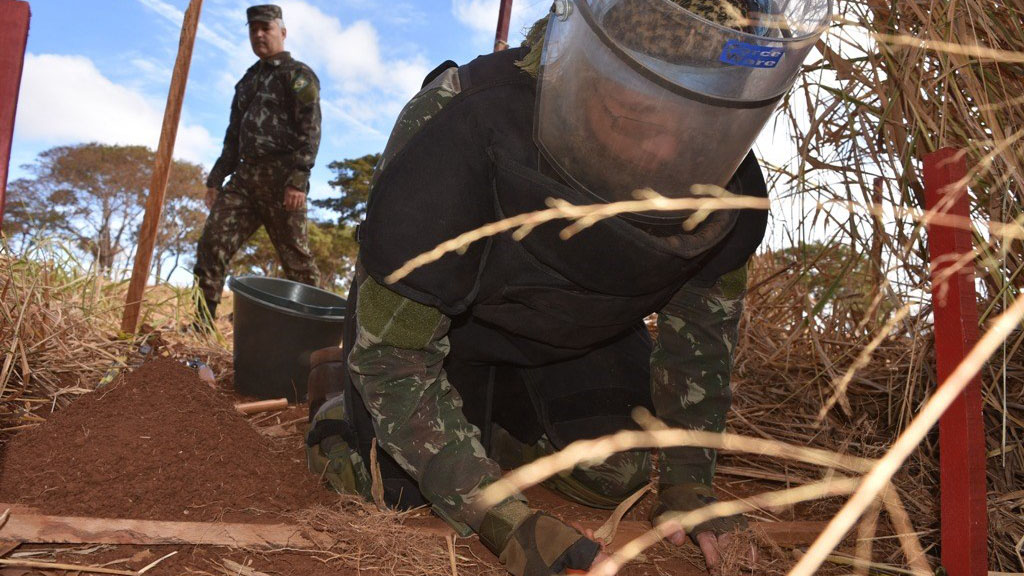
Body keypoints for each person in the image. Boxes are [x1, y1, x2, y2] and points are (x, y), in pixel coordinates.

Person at [306, 0, 825, 574]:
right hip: (445, 341)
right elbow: (395, 359)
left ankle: (493, 430)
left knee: (614, 474)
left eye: (685, 122)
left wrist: (690, 487)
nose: (661, 152)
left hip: (570, 344)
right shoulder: (460, 120)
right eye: (632, 113)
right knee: (394, 487)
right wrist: (505, 521)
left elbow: (699, 341)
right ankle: (335, 391)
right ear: (581, 74)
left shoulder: (725, 180)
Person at [193, 4, 321, 326]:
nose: (259, 34)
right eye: (253, 29)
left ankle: (321, 334)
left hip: (283, 181)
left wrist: (298, 180)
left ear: (282, 32)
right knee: (211, 245)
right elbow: (232, 136)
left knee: (299, 265)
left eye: (266, 27)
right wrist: (215, 179)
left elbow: (310, 129)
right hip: (244, 180)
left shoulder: (299, 75)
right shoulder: (246, 82)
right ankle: (201, 326)